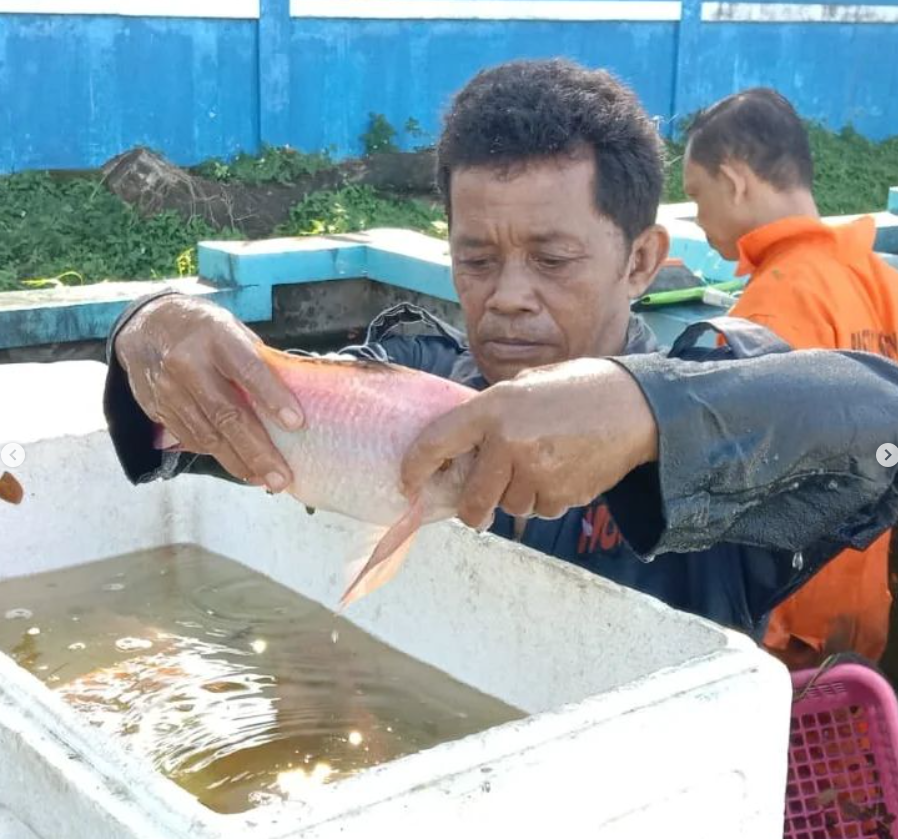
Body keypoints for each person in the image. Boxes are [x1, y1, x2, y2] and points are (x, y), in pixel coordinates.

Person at [104, 59, 898, 639]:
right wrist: (151, 327)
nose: (509, 295)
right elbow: (215, 416)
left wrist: (646, 410)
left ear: (642, 260)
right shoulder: (418, 375)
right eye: (476, 260)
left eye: (553, 260)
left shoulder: (716, 385)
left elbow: (876, 414)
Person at [683, 87, 898, 666]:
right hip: (862, 602)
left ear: (734, 180)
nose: (698, 219)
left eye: (696, 196)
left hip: (790, 620)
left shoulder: (771, 309)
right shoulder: (875, 277)